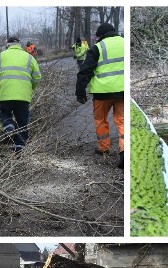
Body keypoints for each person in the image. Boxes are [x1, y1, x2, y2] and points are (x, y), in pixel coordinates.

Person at [76, 23, 124, 168]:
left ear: (100, 35)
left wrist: (80, 91)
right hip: (122, 91)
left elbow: (86, 70)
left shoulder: (97, 48)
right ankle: (124, 150)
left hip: (102, 93)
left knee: (101, 120)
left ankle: (104, 148)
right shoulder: (125, 43)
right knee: (122, 121)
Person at [0, 36, 41, 154]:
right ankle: (19, 147)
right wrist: (29, 88)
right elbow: (37, 77)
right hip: (23, 96)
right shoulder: (29, 57)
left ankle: (8, 125)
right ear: (20, 44)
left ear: (7, 45)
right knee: (23, 122)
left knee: (4, 113)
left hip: (5, 94)